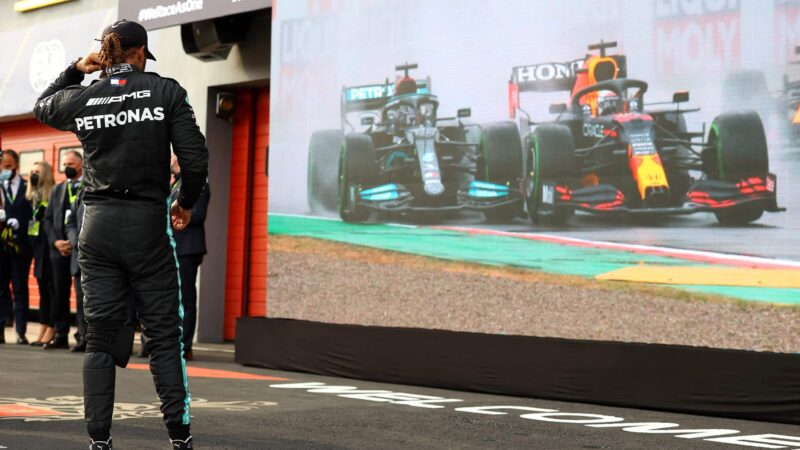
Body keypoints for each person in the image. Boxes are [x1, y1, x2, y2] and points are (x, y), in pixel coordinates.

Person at [34, 19, 208, 450]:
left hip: (97, 228)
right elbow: (196, 161)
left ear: (105, 55)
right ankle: (179, 437)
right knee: (164, 335)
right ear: (141, 52)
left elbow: (42, 105)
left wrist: (78, 67)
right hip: (149, 225)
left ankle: (99, 440)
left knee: (99, 335)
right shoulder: (166, 90)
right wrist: (183, 202)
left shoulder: (85, 95)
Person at [170, 154, 209, 361]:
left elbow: (197, 214)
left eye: (174, 158)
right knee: (173, 299)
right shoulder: (176, 183)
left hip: (187, 247)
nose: (171, 161)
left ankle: (184, 347)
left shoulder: (198, 182)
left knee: (185, 298)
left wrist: (171, 213)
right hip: (174, 247)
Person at [42, 150, 83, 350]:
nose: (67, 167)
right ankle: (60, 333)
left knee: (82, 294)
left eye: (71, 163)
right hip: (59, 250)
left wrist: (73, 242)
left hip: (80, 250)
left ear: (81, 165)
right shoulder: (58, 190)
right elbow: (47, 219)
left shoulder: (87, 186)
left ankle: (83, 334)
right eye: (65, 163)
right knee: (59, 292)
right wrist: (56, 242)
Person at [0, 149, 33, 345]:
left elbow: (33, 212)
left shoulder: (27, 186)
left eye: (10, 167)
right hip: (1, 245)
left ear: (17, 166)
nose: (6, 170)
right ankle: (1, 329)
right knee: (1, 289)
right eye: (4, 166)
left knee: (20, 288)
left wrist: (20, 221)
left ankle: (21, 331)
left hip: (21, 246)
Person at [26, 161, 57, 347]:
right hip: (38, 249)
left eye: (37, 172)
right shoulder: (33, 197)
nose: (33, 175)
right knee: (42, 290)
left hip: (49, 248)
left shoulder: (52, 193)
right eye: (32, 172)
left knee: (51, 290)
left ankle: (51, 327)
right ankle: (43, 326)